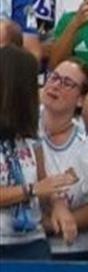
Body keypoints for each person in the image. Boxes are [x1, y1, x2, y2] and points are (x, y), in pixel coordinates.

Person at [1, 45, 76, 260]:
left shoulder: (31, 135)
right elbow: (37, 187)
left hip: (31, 242)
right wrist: (32, 190)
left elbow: (43, 180)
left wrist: (59, 205)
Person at [39, 57, 88, 259]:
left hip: (77, 251)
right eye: (54, 77)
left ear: (81, 99)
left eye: (67, 83)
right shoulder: (23, 126)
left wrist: (54, 226)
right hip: (25, 246)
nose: (56, 86)